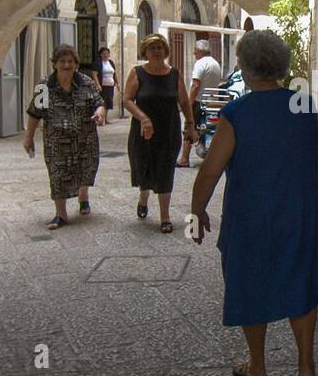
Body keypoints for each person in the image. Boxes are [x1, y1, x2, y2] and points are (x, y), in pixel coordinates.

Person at [190, 30, 318, 376]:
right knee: (301, 283)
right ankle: (306, 370)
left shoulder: (237, 113)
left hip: (251, 218)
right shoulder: (302, 104)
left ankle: (257, 368)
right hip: (300, 213)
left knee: (250, 283)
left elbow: (211, 169)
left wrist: (197, 210)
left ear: (246, 68)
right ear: (280, 65)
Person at [23, 44, 106, 229]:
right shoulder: (44, 86)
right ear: (55, 64)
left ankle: (83, 197)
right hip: (56, 142)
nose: (67, 65)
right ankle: (61, 214)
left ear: (76, 64)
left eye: (70, 61)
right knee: (57, 174)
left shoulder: (86, 82)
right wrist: (28, 137)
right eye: (62, 61)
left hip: (85, 139)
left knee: (85, 168)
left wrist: (99, 114)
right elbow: (34, 112)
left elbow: (99, 103)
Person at [124, 33, 198, 233]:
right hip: (142, 130)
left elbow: (184, 101)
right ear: (145, 52)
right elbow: (127, 100)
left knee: (165, 170)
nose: (156, 51)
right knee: (144, 167)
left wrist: (190, 124)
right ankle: (143, 197)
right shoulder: (137, 72)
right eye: (152, 48)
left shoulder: (174, 74)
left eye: (159, 48)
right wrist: (143, 118)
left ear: (165, 51)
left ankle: (165, 216)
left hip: (168, 130)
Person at [176, 39, 225, 167]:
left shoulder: (200, 63)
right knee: (210, 128)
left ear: (200, 51)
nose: (194, 53)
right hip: (212, 101)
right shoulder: (215, 63)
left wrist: (189, 103)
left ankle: (184, 159)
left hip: (199, 101)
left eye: (195, 51)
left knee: (189, 126)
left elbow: (195, 85)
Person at [92, 46, 117, 124]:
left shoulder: (111, 62)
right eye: (104, 54)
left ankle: (105, 118)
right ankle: (101, 119)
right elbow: (94, 75)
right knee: (102, 102)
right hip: (103, 86)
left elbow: (114, 73)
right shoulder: (98, 63)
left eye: (107, 53)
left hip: (110, 85)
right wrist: (98, 84)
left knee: (108, 103)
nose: (106, 55)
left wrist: (117, 82)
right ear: (100, 55)